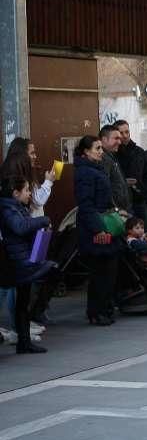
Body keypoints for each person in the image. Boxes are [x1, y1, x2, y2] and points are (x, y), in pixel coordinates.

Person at [0, 177, 55, 353]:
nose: (30, 193)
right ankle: (26, 334)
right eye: (26, 190)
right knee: (52, 271)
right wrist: (43, 220)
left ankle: (24, 341)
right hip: (17, 261)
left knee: (22, 301)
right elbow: (21, 227)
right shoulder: (8, 208)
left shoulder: (17, 207)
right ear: (16, 193)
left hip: (22, 257)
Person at [74, 135, 119, 326]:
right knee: (100, 272)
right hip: (95, 228)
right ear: (86, 151)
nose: (101, 152)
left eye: (101, 148)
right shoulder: (85, 172)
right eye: (97, 148)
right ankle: (96, 311)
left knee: (107, 270)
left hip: (104, 223)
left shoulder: (95, 169)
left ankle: (103, 308)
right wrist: (98, 229)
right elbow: (86, 204)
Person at [0, 137, 56, 217]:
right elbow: (38, 200)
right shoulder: (17, 177)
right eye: (32, 153)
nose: (35, 156)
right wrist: (48, 181)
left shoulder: (23, 172)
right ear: (22, 155)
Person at [113, 120, 147, 222]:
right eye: (121, 133)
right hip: (121, 202)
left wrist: (144, 191)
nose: (125, 135)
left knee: (142, 232)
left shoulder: (139, 152)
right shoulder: (113, 153)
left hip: (139, 200)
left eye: (127, 132)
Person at [99, 125, 132, 212]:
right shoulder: (103, 158)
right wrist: (116, 210)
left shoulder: (110, 156)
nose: (120, 142)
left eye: (119, 139)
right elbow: (104, 189)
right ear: (104, 139)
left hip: (122, 209)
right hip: (116, 213)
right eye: (116, 138)